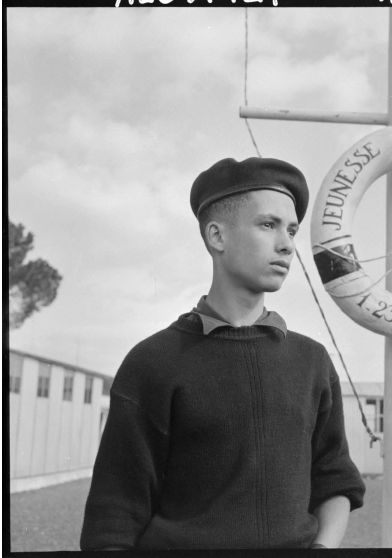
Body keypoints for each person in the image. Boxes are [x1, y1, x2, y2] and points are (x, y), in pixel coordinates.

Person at [80, 157, 365, 550]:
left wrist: (322, 549)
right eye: (268, 225)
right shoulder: (153, 362)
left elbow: (334, 479)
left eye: (292, 230)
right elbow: (114, 516)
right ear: (217, 236)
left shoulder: (312, 361)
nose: (287, 244)